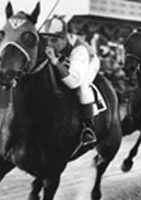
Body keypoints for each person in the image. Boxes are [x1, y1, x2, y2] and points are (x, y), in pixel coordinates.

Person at [39, 15, 101, 148]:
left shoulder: (80, 51)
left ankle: (88, 128)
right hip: (66, 61)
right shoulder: (56, 44)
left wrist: (55, 61)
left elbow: (73, 81)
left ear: (64, 39)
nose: (49, 45)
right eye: (46, 40)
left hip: (89, 62)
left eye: (54, 40)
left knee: (82, 88)